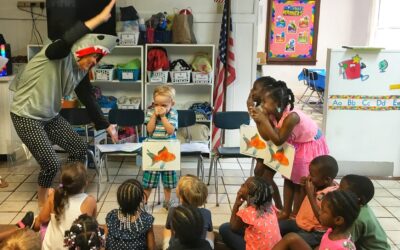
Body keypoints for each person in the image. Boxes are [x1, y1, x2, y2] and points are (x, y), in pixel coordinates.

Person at [9, 0, 119, 208]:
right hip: (26, 116)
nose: (94, 62)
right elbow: (69, 38)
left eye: (98, 60)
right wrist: (100, 19)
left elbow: (88, 98)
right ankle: (43, 205)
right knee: (50, 164)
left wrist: (106, 125)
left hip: (49, 116)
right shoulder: (58, 52)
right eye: (94, 56)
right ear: (83, 48)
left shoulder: (81, 71)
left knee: (79, 149)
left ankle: (70, 193)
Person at [250, 76, 329, 219]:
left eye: (265, 102)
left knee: (300, 182)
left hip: (308, 145)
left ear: (277, 104)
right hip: (295, 144)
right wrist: (259, 120)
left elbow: (278, 140)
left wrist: (263, 119)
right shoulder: (273, 114)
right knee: (288, 178)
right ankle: (285, 211)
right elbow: (267, 136)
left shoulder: (292, 117)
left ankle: (295, 214)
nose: (262, 105)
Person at [33, 162, 97, 250]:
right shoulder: (90, 201)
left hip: (50, 247)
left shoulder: (54, 196)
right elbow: (92, 226)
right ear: (86, 183)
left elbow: (41, 219)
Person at [278, 155, 339, 248]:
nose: (309, 177)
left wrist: (310, 194)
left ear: (327, 180)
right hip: (302, 223)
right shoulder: (318, 185)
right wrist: (304, 189)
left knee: (289, 241)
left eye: (312, 175)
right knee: (275, 227)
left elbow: (321, 219)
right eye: (309, 173)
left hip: (316, 232)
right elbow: (303, 202)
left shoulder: (331, 195)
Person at [273, 190, 360, 250]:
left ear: (338, 220)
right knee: (291, 238)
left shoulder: (343, 247)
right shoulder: (332, 230)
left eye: (324, 211)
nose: (319, 213)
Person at [247, 78, 282, 209]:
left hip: (276, 145)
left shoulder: (270, 107)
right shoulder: (262, 106)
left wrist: (254, 111)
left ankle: (278, 207)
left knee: (267, 178)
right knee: (258, 172)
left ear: (265, 91)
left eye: (255, 89)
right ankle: (265, 201)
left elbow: (266, 133)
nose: (252, 92)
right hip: (268, 144)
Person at [219, 176, 281, 250]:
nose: (241, 185)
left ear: (250, 196)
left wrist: (236, 205)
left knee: (224, 228)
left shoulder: (247, 213)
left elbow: (233, 227)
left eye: (244, 185)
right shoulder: (270, 206)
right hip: (276, 246)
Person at [143, 85, 179, 210]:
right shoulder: (150, 112)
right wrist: (153, 116)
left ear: (172, 104)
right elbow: (149, 130)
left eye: (164, 105)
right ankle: (144, 202)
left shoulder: (173, 113)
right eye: (157, 104)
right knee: (149, 180)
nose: (159, 108)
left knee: (168, 180)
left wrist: (163, 117)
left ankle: (167, 202)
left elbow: (170, 131)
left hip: (169, 148)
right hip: (153, 146)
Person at [340, 175, 390, 250]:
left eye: (342, 191)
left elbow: (345, 244)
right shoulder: (362, 206)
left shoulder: (356, 218)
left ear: (358, 198)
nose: (336, 191)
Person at [163, 175, 214, 249]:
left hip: (176, 246)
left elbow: (168, 229)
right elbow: (209, 231)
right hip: (200, 246)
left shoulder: (173, 211)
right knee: (211, 233)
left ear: (181, 198)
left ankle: (165, 246)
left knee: (166, 230)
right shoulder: (206, 213)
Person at [105, 179, 155, 250]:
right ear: (141, 199)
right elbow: (151, 247)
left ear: (119, 199)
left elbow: (106, 242)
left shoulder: (112, 216)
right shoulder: (146, 219)